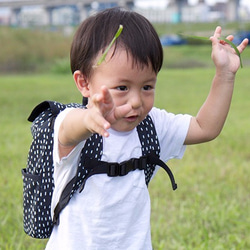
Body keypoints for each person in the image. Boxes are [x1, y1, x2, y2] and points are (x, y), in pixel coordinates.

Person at [45, 7, 248, 250]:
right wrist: (90, 120)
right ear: (84, 83)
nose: (136, 101)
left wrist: (225, 74)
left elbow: (205, 127)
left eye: (147, 87)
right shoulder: (73, 122)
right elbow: (69, 131)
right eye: (122, 87)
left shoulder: (150, 125)